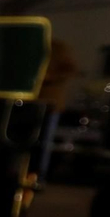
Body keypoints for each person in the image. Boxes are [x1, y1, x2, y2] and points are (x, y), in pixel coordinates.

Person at [34, 36, 79, 186]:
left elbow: (71, 69)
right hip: (30, 102)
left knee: (44, 142)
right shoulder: (32, 45)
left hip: (50, 103)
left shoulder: (58, 48)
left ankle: (39, 175)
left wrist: (49, 77)